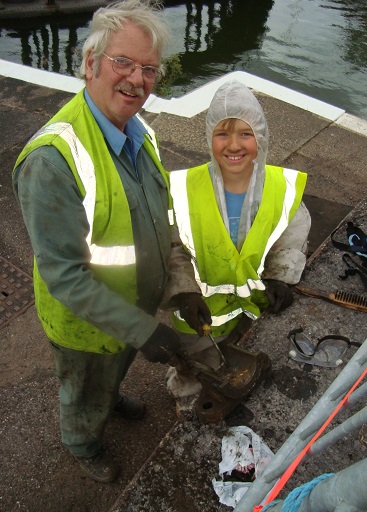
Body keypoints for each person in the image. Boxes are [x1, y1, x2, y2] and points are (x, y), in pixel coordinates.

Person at [12, 0, 210, 483]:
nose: (137, 79)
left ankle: (111, 395)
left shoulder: (139, 133)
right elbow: (66, 277)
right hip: (86, 324)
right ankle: (82, 442)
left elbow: (161, 223)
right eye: (123, 61)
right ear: (89, 63)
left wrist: (183, 287)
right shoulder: (51, 162)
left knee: (113, 370)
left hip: (131, 312)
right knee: (83, 388)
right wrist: (145, 331)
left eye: (148, 69)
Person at [167, 80, 311, 419]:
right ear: (208, 138)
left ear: (260, 137)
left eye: (245, 134)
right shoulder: (183, 190)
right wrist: (182, 292)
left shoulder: (279, 188)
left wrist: (281, 276)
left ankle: (227, 387)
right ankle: (185, 396)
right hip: (197, 311)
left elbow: (291, 232)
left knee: (237, 351)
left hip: (250, 305)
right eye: (222, 134)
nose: (234, 145)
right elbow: (171, 245)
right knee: (192, 360)